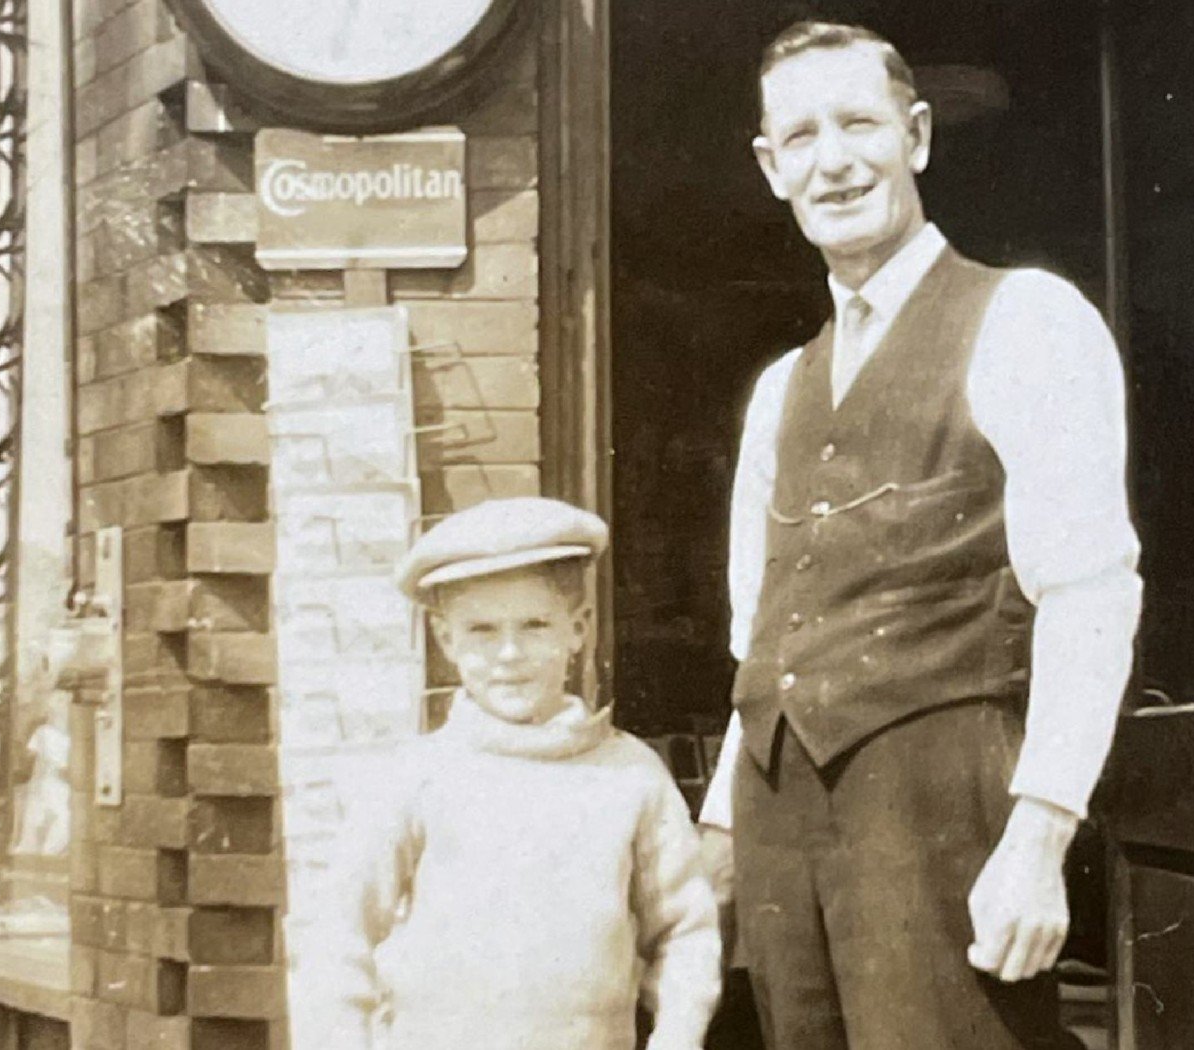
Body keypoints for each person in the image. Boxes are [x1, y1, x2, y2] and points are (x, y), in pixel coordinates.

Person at [695, 21, 1143, 1050]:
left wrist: (1041, 833)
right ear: (772, 168)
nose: (835, 159)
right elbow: (761, 644)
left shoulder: (1026, 318)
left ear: (919, 137)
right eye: (801, 136)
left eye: (861, 123)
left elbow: (1090, 593)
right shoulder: (780, 390)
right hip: (782, 826)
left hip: (939, 814)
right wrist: (719, 837)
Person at [319, 497, 723, 1050]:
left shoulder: (629, 776)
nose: (510, 653)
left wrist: (677, 1036)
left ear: (578, 629)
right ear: (446, 640)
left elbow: (685, 930)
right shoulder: (419, 776)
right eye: (482, 630)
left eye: (535, 625)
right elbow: (339, 937)